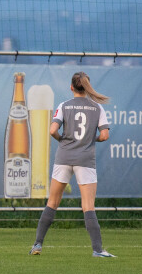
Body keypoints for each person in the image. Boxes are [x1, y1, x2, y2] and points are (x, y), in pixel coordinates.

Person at [29, 72, 116, 257]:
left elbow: (52, 130)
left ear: (71, 87)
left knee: (52, 202)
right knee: (88, 206)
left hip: (64, 157)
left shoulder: (64, 105)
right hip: (85, 160)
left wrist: (63, 140)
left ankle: (37, 245)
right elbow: (105, 135)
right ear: (87, 87)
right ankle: (98, 250)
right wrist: (91, 140)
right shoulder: (97, 108)